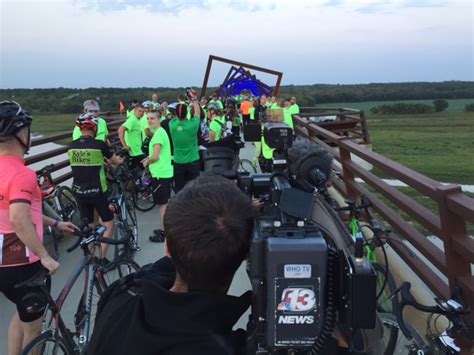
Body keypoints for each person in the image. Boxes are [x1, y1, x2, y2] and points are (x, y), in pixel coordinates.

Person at [88, 175, 256, 355]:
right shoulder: (226, 347)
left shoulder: (121, 294)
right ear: (247, 255)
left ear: (167, 248)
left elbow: (155, 270)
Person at [0, 101, 76, 355]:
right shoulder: (23, 174)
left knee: (21, 316)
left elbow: (17, 212)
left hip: (3, 264)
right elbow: (19, 219)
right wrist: (45, 257)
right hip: (24, 265)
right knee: (36, 330)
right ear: (22, 134)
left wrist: (55, 222)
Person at [68, 113, 122, 264]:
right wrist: (118, 161)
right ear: (95, 127)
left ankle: (90, 256)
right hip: (97, 191)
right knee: (109, 224)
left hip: (79, 191)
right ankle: (101, 258)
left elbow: (84, 164)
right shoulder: (99, 144)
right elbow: (115, 161)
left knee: (90, 226)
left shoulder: (72, 146)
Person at [141, 110, 173, 243]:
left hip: (160, 173)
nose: (149, 121)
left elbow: (155, 156)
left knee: (163, 205)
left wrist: (147, 161)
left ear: (159, 120)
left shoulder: (158, 134)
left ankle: (164, 233)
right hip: (163, 172)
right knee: (164, 203)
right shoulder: (159, 132)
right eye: (148, 118)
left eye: (152, 118)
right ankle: (165, 229)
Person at [169, 101, 201, 192]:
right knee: (195, 187)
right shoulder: (192, 125)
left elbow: (176, 116)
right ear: (186, 113)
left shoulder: (172, 124)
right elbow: (197, 113)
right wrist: (194, 101)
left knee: (179, 188)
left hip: (178, 161)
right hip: (193, 160)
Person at [118, 103, 146, 170]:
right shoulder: (132, 120)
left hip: (137, 150)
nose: (141, 113)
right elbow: (121, 130)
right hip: (134, 151)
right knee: (143, 168)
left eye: (143, 112)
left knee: (135, 171)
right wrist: (124, 145)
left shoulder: (137, 120)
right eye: (139, 111)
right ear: (134, 111)